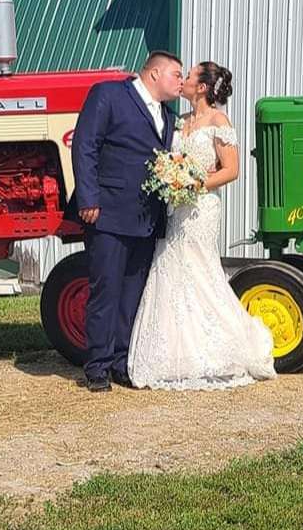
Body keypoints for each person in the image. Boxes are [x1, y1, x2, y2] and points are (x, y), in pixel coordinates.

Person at [128, 61, 276, 390]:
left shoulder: (218, 121)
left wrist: (195, 183)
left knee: (200, 268)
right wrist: (170, 177)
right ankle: (174, 354)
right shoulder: (178, 122)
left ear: (203, 88)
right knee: (172, 268)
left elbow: (231, 170)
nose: (182, 81)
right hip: (175, 207)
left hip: (202, 207)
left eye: (189, 76)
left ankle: (225, 346)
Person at [71, 50, 184, 392]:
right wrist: (88, 198)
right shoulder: (109, 94)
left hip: (146, 216)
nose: (181, 81)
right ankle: (97, 367)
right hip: (107, 211)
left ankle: (122, 361)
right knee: (106, 290)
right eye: (176, 75)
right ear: (154, 74)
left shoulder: (167, 114)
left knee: (132, 292)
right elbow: (85, 144)